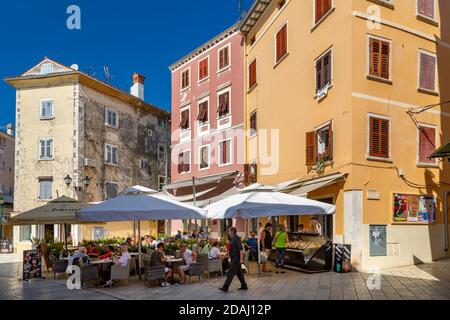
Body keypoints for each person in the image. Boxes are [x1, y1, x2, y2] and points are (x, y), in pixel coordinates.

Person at [219, 227, 248, 292]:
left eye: (229, 231)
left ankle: (225, 287)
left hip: (236, 258)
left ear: (232, 232)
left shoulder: (237, 238)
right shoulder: (232, 239)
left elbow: (240, 249)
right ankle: (244, 285)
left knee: (230, 272)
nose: (228, 232)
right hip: (234, 258)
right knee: (239, 273)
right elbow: (231, 250)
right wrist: (225, 256)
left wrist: (241, 259)